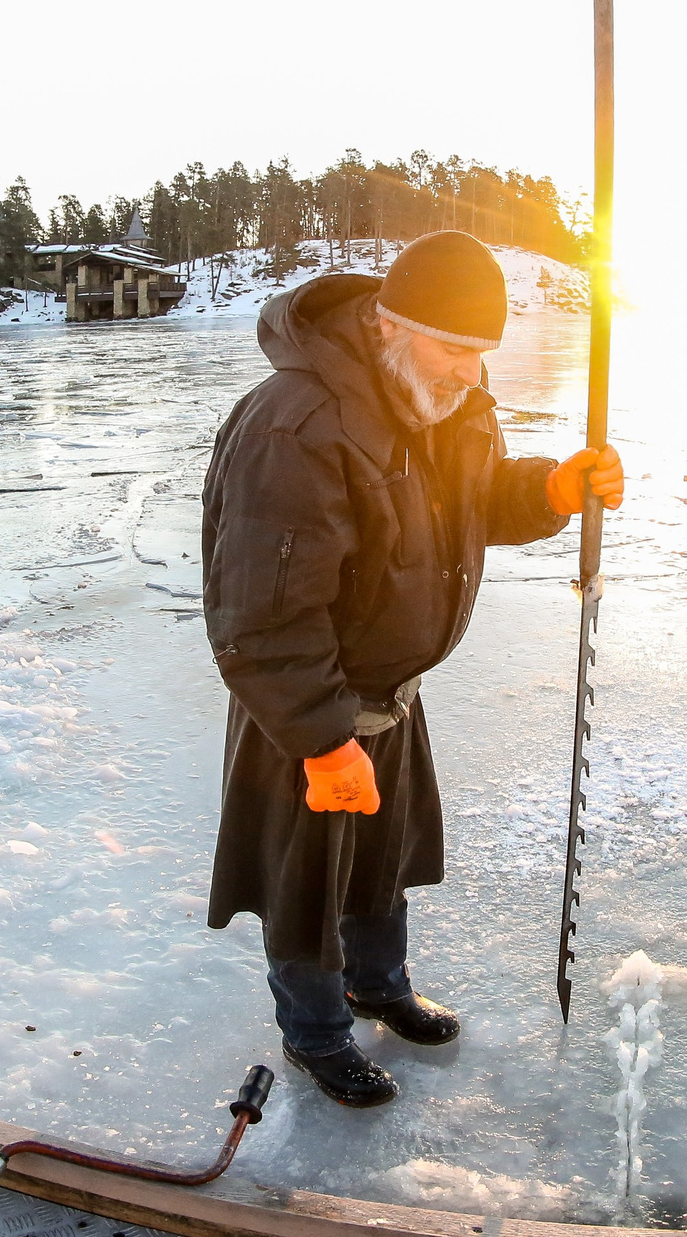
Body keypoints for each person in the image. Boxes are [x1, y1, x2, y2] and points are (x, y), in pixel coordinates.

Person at [200, 230, 624, 1106]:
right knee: (307, 880)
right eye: (453, 348)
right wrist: (323, 740)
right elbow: (261, 615)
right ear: (391, 325)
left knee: (380, 859)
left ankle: (378, 986)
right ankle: (316, 1033)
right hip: (305, 705)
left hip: (393, 695)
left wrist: (550, 490)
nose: (472, 372)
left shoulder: (447, 401)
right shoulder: (296, 423)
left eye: (482, 351)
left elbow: (468, 504)